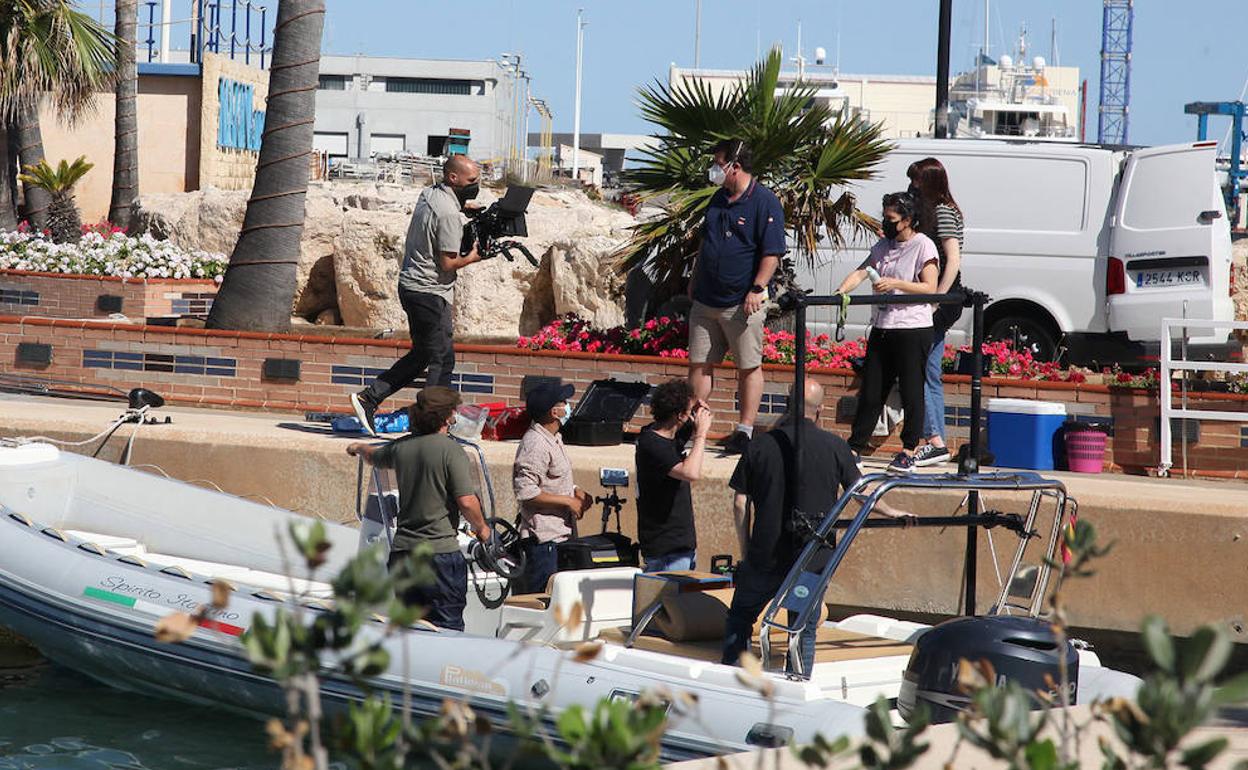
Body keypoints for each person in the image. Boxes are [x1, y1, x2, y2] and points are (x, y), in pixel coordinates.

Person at [722, 381, 914, 675]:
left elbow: (739, 503)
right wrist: (891, 511)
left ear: (787, 406)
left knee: (740, 618)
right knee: (802, 629)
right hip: (812, 558)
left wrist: (746, 549)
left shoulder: (760, 445)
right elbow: (860, 491)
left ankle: (731, 679)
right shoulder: (836, 446)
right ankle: (797, 680)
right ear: (820, 410)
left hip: (765, 555)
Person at [350, 155, 484, 435]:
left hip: (413, 288)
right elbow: (448, 263)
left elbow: (444, 211)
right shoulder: (448, 214)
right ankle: (432, 424)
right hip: (429, 293)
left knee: (423, 355)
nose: (476, 185)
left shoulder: (430, 194)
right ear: (453, 178)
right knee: (442, 359)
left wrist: (465, 208)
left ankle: (369, 397)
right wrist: (473, 257)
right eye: (472, 181)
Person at [346, 386, 492, 632]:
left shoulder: (402, 448)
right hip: (440, 555)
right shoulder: (453, 451)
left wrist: (359, 448)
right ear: (448, 417)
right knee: (447, 627)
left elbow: (373, 456)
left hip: (403, 553)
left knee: (409, 627)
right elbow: (466, 501)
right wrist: (484, 529)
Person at [687, 138, 786, 456]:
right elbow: (706, 242)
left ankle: (744, 430)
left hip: (742, 302)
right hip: (706, 300)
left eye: (719, 163)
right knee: (700, 363)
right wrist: (694, 277)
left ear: (736, 167)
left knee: (748, 366)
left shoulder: (765, 202)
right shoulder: (717, 199)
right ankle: (696, 423)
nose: (714, 169)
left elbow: (771, 253)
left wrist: (757, 288)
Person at [837, 192, 939, 474]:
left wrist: (896, 283)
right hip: (883, 327)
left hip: (912, 327)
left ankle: (909, 450)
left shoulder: (923, 246)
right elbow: (862, 271)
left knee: (911, 389)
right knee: (871, 390)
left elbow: (930, 287)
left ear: (907, 220)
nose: (886, 223)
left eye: (892, 218)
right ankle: (855, 446)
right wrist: (841, 292)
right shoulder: (883, 246)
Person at [905, 158, 965, 468]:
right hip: (937, 297)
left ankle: (935, 440)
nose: (912, 187)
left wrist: (936, 299)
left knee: (924, 368)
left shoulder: (942, 212)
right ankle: (935, 438)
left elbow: (952, 258)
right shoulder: (933, 210)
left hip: (940, 297)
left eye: (916, 181)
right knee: (929, 370)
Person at [512, 381, 593, 594]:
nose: (568, 406)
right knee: (543, 601)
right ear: (554, 412)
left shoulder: (555, 438)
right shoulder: (535, 444)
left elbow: (553, 479)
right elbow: (526, 492)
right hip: (543, 543)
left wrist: (577, 492)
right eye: (564, 403)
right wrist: (568, 502)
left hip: (562, 538)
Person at [634, 379, 713, 572]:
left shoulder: (667, 434)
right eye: (688, 411)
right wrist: (701, 435)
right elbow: (690, 472)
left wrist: (695, 409)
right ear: (679, 416)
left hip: (680, 545)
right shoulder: (652, 444)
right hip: (666, 549)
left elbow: (686, 425)